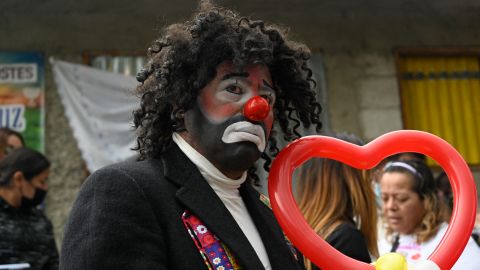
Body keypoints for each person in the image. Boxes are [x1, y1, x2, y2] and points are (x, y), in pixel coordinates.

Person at [60, 1, 322, 269]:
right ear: (181, 103)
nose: (257, 108)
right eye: (233, 88)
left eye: (267, 97)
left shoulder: (268, 211)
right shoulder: (125, 192)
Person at [296, 132, 378, 269]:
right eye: (368, 173)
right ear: (353, 179)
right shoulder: (347, 239)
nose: (372, 183)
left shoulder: (296, 234)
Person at [378, 159, 480, 269]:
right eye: (385, 198)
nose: (390, 206)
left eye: (401, 199)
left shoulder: (455, 242)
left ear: (427, 200)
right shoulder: (385, 241)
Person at [0, 147, 58, 269]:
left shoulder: (40, 219)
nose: (45, 188)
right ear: (19, 179)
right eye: (41, 182)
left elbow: (53, 263)